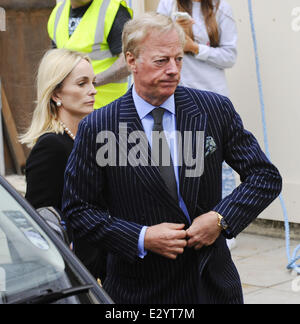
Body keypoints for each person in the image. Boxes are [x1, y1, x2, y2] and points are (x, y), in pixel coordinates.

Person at [62, 13, 282, 304]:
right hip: (140, 291)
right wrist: (141, 237)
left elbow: (265, 177)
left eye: (178, 59)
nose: (173, 70)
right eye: (161, 61)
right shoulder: (100, 126)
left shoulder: (213, 110)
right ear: (131, 61)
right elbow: (78, 210)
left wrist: (220, 218)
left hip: (210, 285)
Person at [158, 0, 238, 249]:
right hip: (177, 96)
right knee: (178, 159)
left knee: (218, 160)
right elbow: (155, 42)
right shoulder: (167, 4)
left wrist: (193, 47)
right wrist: (174, 31)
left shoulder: (220, 7)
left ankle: (224, 223)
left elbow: (229, 56)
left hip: (211, 94)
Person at [20, 48, 107, 281]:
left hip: (102, 268)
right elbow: (40, 222)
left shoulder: (89, 139)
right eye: (82, 84)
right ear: (57, 93)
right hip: (76, 274)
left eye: (93, 82)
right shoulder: (51, 147)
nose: (93, 91)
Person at [48, 0, 133, 109]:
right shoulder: (58, 12)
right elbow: (55, 61)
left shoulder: (112, 10)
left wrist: (90, 83)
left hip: (108, 110)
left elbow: (128, 62)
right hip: (71, 111)